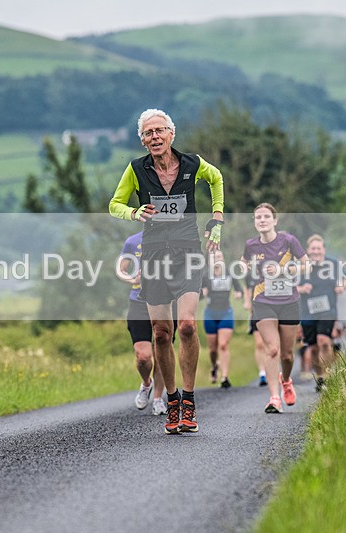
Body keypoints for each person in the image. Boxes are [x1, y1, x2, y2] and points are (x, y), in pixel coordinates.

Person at [109, 108, 225, 434]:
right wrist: (134, 212)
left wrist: (217, 217)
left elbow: (216, 179)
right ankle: (171, 400)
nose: (155, 137)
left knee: (186, 325)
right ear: (142, 140)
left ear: (171, 134)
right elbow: (114, 204)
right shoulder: (135, 169)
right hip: (155, 257)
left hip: (188, 252)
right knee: (161, 332)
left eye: (160, 130)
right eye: (148, 133)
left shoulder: (192, 164)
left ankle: (188, 399)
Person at [241, 203, 308, 413]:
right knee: (272, 349)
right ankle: (274, 397)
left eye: (265, 217)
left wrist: (283, 268)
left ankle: (286, 380)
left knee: (287, 355)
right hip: (263, 302)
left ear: (274, 220)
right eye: (257, 217)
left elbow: (306, 264)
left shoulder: (288, 241)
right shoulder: (251, 245)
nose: (261, 220)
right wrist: (242, 267)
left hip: (288, 301)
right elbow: (244, 263)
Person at [118, 230, 171, 415]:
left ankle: (158, 398)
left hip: (165, 302)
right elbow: (121, 269)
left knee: (162, 353)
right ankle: (146, 383)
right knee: (143, 356)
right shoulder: (132, 242)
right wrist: (133, 279)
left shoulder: (172, 237)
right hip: (139, 301)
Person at [296, 234, 346, 393]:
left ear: (323, 250)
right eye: (313, 248)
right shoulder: (302, 266)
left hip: (328, 310)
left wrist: (342, 286)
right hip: (307, 312)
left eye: (318, 248)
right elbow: (290, 286)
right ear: (308, 250)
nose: (316, 251)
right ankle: (319, 375)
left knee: (324, 341)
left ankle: (326, 375)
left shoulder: (332, 263)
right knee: (312, 348)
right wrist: (301, 289)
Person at [201, 250, 243, 389]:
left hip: (226, 312)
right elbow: (197, 295)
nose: (217, 260)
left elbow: (239, 289)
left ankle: (224, 377)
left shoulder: (229, 274)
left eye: (219, 257)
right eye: (214, 258)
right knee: (213, 349)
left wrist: (238, 293)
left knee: (223, 345)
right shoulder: (206, 276)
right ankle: (214, 366)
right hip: (210, 314)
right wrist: (203, 293)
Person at [242, 272, 268, 387]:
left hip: (270, 310)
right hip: (256, 312)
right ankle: (262, 373)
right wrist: (247, 303)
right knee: (259, 344)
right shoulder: (249, 275)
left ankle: (272, 370)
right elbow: (247, 290)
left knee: (271, 344)